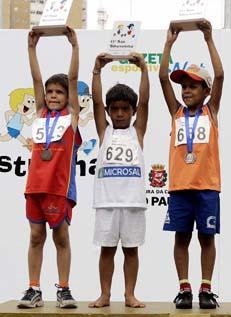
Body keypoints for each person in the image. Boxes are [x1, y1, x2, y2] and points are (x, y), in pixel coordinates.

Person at [159, 20, 224, 309]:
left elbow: (220, 75)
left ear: (206, 91)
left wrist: (209, 39)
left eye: (193, 87)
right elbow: (162, 78)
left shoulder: (211, 110)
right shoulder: (176, 112)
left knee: (206, 238)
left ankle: (206, 289)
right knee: (181, 237)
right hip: (179, 187)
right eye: (184, 87)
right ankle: (184, 287)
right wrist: (168, 43)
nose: (186, 91)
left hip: (207, 186)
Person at [18, 27, 81, 309]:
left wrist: (74, 47)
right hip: (36, 186)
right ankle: (33, 289)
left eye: (59, 92)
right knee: (35, 236)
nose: (53, 95)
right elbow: (36, 78)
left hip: (59, 188)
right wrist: (32, 49)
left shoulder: (72, 116)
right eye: (50, 92)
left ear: (68, 96)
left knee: (61, 236)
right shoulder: (41, 112)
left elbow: (74, 77)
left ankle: (64, 289)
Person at [88, 52, 149, 309]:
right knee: (107, 249)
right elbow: (95, 102)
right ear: (108, 112)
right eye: (115, 109)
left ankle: (129, 294)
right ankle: (105, 294)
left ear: (134, 112)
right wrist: (97, 71)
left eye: (126, 109)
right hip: (107, 203)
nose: (121, 113)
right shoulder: (105, 131)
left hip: (133, 202)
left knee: (131, 250)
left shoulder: (138, 131)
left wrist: (144, 69)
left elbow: (145, 101)